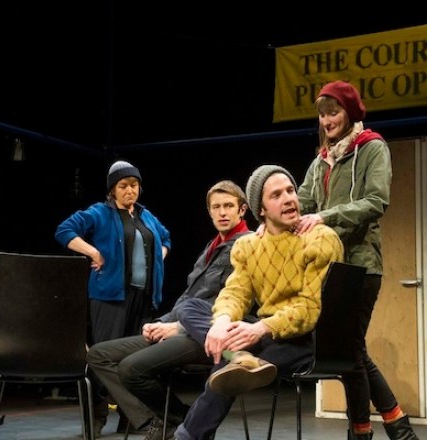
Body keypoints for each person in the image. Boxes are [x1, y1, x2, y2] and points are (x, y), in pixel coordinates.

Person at [171, 164, 344, 440]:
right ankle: (238, 354)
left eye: (290, 191)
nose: (288, 199)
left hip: (306, 341)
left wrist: (259, 329)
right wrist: (221, 322)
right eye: (276, 195)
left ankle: (189, 432)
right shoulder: (248, 246)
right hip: (265, 334)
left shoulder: (320, 239)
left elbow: (310, 310)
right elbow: (235, 293)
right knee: (189, 306)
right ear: (260, 210)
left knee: (228, 366)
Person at [296, 80, 419, 440]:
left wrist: (325, 216)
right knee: (349, 352)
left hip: (361, 266)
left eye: (333, 112)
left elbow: (375, 201)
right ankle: (386, 428)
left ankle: (378, 430)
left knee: (350, 349)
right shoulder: (321, 161)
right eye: (322, 115)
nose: (327, 120)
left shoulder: (372, 147)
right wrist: (273, 215)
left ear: (349, 112)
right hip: (330, 268)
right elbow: (302, 202)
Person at [86, 179, 251, 440]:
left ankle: (167, 421)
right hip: (180, 327)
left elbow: (233, 301)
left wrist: (178, 327)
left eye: (228, 206)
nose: (222, 212)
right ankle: (173, 418)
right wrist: (162, 322)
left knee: (132, 369)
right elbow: (189, 296)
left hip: (208, 335)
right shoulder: (212, 246)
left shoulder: (248, 245)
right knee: (99, 354)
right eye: (216, 207)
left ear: (242, 210)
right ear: (209, 211)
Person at [55, 159, 171, 437]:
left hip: (143, 298)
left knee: (135, 362)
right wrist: (93, 252)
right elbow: (64, 230)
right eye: (123, 186)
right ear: (112, 190)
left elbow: (166, 239)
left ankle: (130, 418)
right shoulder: (100, 213)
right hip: (110, 298)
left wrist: (158, 259)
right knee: (102, 358)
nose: (130, 190)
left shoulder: (146, 216)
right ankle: (96, 416)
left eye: (134, 185)